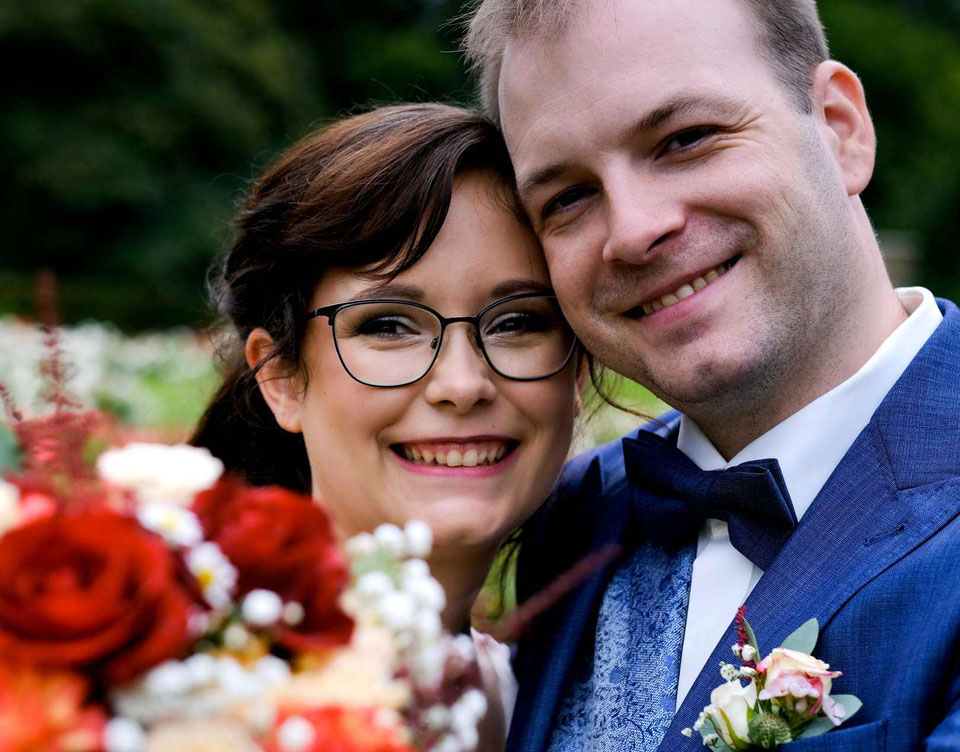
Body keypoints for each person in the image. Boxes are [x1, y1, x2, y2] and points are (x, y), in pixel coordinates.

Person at [464, 0, 960, 750]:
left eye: (685, 139)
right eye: (567, 198)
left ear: (839, 128)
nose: (633, 230)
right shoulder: (570, 519)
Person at [191, 103, 583, 750]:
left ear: (575, 372)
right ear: (282, 377)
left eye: (517, 322)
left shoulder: (540, 698)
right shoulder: (186, 683)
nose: (462, 385)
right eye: (388, 325)